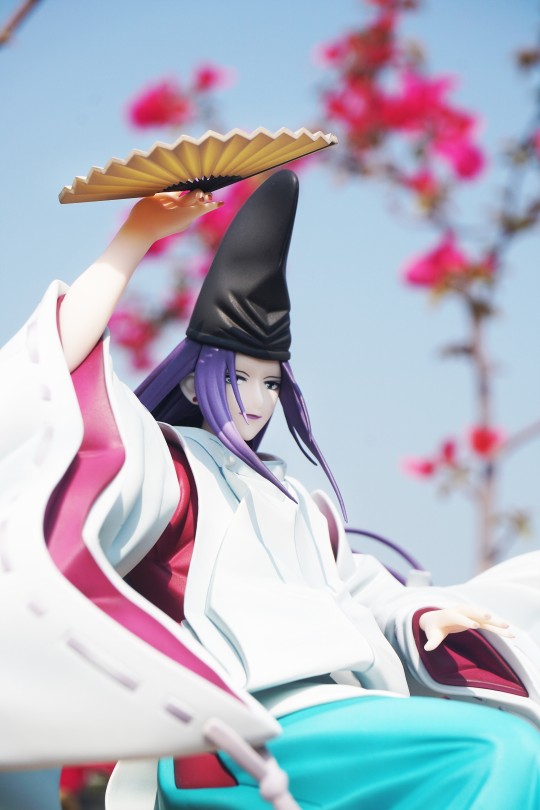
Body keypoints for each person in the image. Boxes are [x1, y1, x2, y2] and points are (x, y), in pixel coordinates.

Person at [1, 171, 540, 810]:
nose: (257, 400)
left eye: (270, 383)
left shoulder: (300, 504)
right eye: (239, 378)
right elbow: (56, 372)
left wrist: (424, 615)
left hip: (339, 707)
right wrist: (135, 238)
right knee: (500, 750)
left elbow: (367, 594)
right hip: (242, 730)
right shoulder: (170, 467)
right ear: (194, 383)